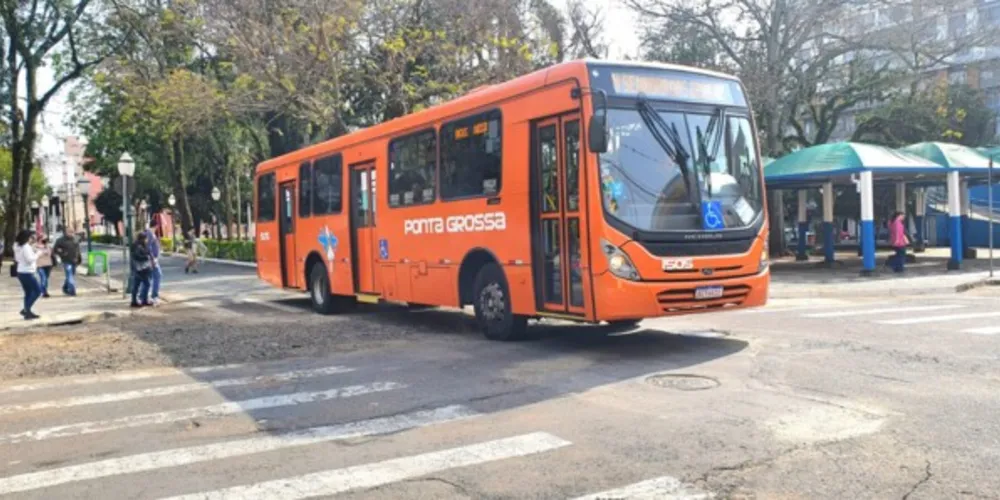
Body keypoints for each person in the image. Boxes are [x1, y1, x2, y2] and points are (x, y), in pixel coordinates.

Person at [13, 230, 42, 320]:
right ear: (27, 237)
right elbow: (30, 259)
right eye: (31, 237)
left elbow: (17, 258)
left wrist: (32, 249)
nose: (32, 239)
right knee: (37, 291)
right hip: (28, 272)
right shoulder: (25, 247)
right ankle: (26, 309)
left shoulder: (16, 245)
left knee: (28, 293)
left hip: (21, 271)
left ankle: (28, 312)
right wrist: (38, 254)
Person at [52, 226, 81, 296]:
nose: (71, 233)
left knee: (71, 275)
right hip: (66, 260)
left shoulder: (76, 239)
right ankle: (72, 291)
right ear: (65, 232)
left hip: (74, 260)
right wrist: (62, 253)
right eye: (69, 231)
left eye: (72, 232)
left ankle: (65, 287)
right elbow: (55, 249)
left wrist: (79, 258)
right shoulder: (60, 240)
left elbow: (78, 249)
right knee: (69, 275)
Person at [130, 232, 154, 308]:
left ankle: (134, 301)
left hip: (137, 268)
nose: (147, 240)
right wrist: (147, 257)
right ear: (143, 239)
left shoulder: (135, 245)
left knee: (136, 285)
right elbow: (138, 256)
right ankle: (144, 300)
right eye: (146, 238)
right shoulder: (139, 246)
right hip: (142, 268)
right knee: (147, 284)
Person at [143, 220, 163, 304]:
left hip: (152, 259)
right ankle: (154, 296)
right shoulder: (150, 233)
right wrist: (153, 258)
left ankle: (143, 296)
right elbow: (148, 247)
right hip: (152, 260)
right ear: (156, 225)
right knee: (157, 275)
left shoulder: (150, 233)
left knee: (149, 277)